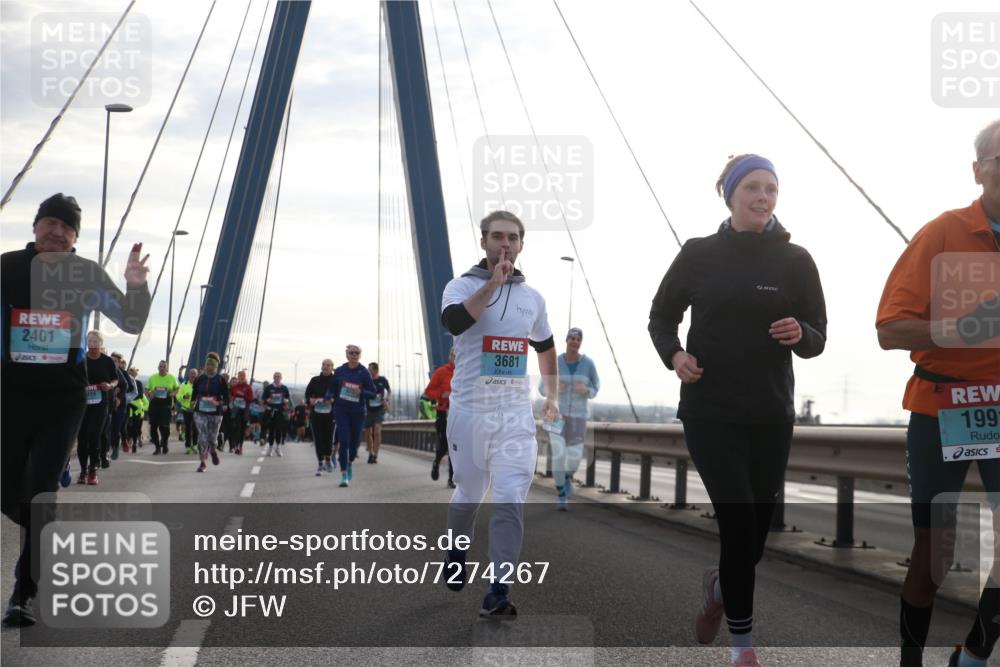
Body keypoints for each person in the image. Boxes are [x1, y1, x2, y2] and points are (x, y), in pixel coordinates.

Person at [648, 155, 827, 667]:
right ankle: (742, 648)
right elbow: (661, 317)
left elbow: (818, 336)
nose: (763, 197)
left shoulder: (797, 260)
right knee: (738, 525)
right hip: (710, 411)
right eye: (752, 187)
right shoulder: (698, 253)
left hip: (771, 414)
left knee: (754, 540)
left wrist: (801, 333)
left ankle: (719, 590)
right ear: (729, 195)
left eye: (771, 188)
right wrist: (675, 356)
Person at [876, 119, 1000, 667]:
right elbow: (889, 330)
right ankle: (911, 660)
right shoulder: (941, 233)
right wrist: (963, 328)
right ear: (978, 171)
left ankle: (973, 655)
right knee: (935, 556)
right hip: (942, 406)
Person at [1, 193, 150, 626]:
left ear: (75, 237)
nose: (57, 231)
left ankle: (25, 592)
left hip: (63, 398)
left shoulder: (86, 274)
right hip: (9, 393)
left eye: (66, 227)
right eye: (50, 222)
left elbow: (131, 321)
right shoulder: (6, 266)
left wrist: (135, 285)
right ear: (35, 226)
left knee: (42, 491)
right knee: (10, 492)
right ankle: (44, 526)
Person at [440, 209, 559, 618]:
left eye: (512, 237)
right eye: (497, 237)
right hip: (469, 413)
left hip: (513, 415)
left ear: (521, 244)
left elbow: (545, 346)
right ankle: (456, 549)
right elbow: (454, 322)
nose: (505, 244)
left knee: (509, 499)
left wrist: (552, 395)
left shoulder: (533, 299)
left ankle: (499, 591)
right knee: (470, 493)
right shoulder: (460, 286)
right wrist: (493, 284)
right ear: (484, 242)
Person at [538, 327, 600, 510]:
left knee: (573, 460)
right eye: (572, 338)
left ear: (580, 342)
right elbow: (541, 388)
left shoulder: (588, 364)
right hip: (555, 416)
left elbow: (596, 387)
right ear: (566, 340)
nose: (575, 341)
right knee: (558, 456)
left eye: (578, 339)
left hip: (578, 417)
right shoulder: (555, 362)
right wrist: (553, 388)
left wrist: (587, 390)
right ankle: (561, 494)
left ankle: (566, 477)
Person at [326, 345, 377, 486]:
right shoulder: (340, 371)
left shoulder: (364, 372)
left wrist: (361, 392)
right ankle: (344, 475)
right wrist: (328, 397)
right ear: (347, 355)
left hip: (358, 413)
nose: (354, 355)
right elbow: (331, 388)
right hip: (341, 410)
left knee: (354, 444)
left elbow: (373, 393)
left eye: (356, 353)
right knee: (344, 441)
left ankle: (349, 462)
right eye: (351, 353)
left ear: (360, 355)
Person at [75, 332, 119, 484]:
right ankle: (83, 471)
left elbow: (115, 379)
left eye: (95, 341)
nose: (92, 344)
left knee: (94, 437)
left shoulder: (107, 361)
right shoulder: (81, 359)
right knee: (82, 439)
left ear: (101, 343)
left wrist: (110, 385)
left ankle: (93, 470)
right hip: (82, 404)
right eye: (89, 341)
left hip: (100, 404)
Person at [191, 352, 229, 472]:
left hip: (215, 413)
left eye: (212, 365)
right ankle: (202, 463)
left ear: (216, 366)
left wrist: (218, 403)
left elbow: (226, 397)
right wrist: (192, 402)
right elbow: (195, 392)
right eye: (207, 364)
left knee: (212, 439)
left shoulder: (220, 380)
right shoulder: (200, 378)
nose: (209, 367)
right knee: (202, 436)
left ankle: (213, 450)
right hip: (200, 411)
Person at [424, 347, 456, 487]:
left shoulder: (465, 372)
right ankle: (436, 462)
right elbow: (428, 392)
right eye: (454, 355)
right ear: (450, 356)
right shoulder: (442, 372)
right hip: (443, 413)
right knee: (444, 446)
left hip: (459, 414)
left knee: (455, 446)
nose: (457, 358)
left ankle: (451, 479)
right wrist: (442, 395)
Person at [305, 359, 337, 475]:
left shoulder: (335, 381)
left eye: (328, 365)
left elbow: (340, 395)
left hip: (330, 415)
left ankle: (328, 459)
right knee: (318, 439)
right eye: (324, 365)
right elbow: (307, 394)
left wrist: (332, 400)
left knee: (328, 439)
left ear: (332, 367)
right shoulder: (314, 380)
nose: (326, 367)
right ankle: (320, 463)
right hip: (316, 414)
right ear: (321, 367)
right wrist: (310, 400)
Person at [146, 359, 178, 455]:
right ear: (158, 367)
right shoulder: (152, 377)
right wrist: (150, 393)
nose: (162, 368)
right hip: (154, 404)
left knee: (164, 427)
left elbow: (177, 388)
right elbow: (147, 389)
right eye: (160, 366)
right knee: (153, 427)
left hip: (166, 404)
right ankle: (157, 447)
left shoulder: (171, 378)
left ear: (167, 368)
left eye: (164, 367)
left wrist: (172, 394)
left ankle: (165, 443)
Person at [364, 362, 391, 463]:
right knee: (368, 432)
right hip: (368, 409)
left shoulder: (382, 380)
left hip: (379, 409)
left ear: (375, 370)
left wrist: (387, 400)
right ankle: (370, 452)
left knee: (377, 431)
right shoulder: (366, 380)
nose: (368, 371)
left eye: (369, 370)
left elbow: (389, 391)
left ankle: (375, 455)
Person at [262, 372, 290, 456]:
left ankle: (278, 447)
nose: (277, 378)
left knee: (279, 430)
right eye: (275, 376)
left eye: (278, 377)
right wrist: (267, 400)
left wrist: (286, 401)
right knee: (271, 430)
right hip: (271, 411)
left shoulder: (284, 388)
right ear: (273, 377)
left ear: (281, 378)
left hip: (280, 411)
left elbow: (287, 398)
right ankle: (270, 448)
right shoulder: (269, 387)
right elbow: (264, 398)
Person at [228, 370, 254, 455]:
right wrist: (232, 399)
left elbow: (251, 399)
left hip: (244, 410)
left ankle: (240, 446)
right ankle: (236, 445)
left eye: (243, 376)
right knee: (236, 427)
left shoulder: (248, 387)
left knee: (242, 428)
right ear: (238, 377)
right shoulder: (235, 387)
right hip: (236, 410)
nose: (241, 377)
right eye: (240, 376)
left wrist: (243, 396)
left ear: (245, 377)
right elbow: (231, 395)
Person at [177, 367, 198, 453]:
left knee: (196, 428)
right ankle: (188, 446)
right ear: (189, 375)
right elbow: (178, 396)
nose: (193, 375)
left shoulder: (200, 385)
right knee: (188, 428)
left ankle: (195, 445)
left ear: (197, 375)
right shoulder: (183, 385)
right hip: (186, 409)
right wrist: (183, 397)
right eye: (191, 373)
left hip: (197, 410)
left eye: (194, 374)